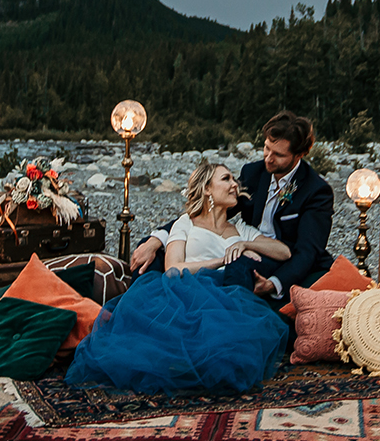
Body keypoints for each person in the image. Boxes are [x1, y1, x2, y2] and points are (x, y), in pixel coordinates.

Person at [66, 162, 292, 395]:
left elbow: (284, 252)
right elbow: (173, 266)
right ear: (206, 188)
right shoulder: (185, 223)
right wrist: (220, 261)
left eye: (234, 179)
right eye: (226, 179)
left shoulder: (242, 229)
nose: (235, 185)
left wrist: (244, 244)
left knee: (223, 349)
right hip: (186, 290)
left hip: (227, 293)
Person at [130, 110, 335, 304]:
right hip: (247, 243)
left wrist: (274, 283)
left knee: (238, 263)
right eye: (266, 148)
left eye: (278, 155)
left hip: (281, 258)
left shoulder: (315, 190)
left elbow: (307, 252)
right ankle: (137, 307)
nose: (268, 158)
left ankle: (228, 323)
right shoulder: (254, 173)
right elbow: (210, 212)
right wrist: (156, 239)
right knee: (152, 251)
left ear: (298, 155)